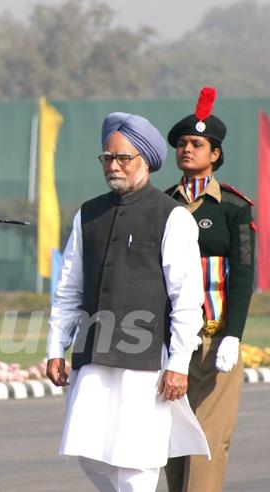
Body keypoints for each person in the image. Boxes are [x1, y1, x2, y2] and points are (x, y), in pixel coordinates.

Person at [45, 112, 210, 492]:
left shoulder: (173, 217)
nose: (113, 166)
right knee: (89, 453)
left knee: (138, 460)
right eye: (107, 158)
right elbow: (69, 288)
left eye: (123, 158)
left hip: (145, 361)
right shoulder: (88, 214)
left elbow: (186, 299)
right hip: (92, 355)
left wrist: (179, 364)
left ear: (146, 162)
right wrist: (56, 346)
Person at [163, 87, 255, 492]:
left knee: (208, 439)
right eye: (182, 144)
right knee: (172, 443)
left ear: (215, 154)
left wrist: (234, 333)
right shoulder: (163, 204)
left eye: (197, 144)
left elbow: (244, 273)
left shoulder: (233, 207)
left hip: (213, 337)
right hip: (169, 338)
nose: (187, 150)